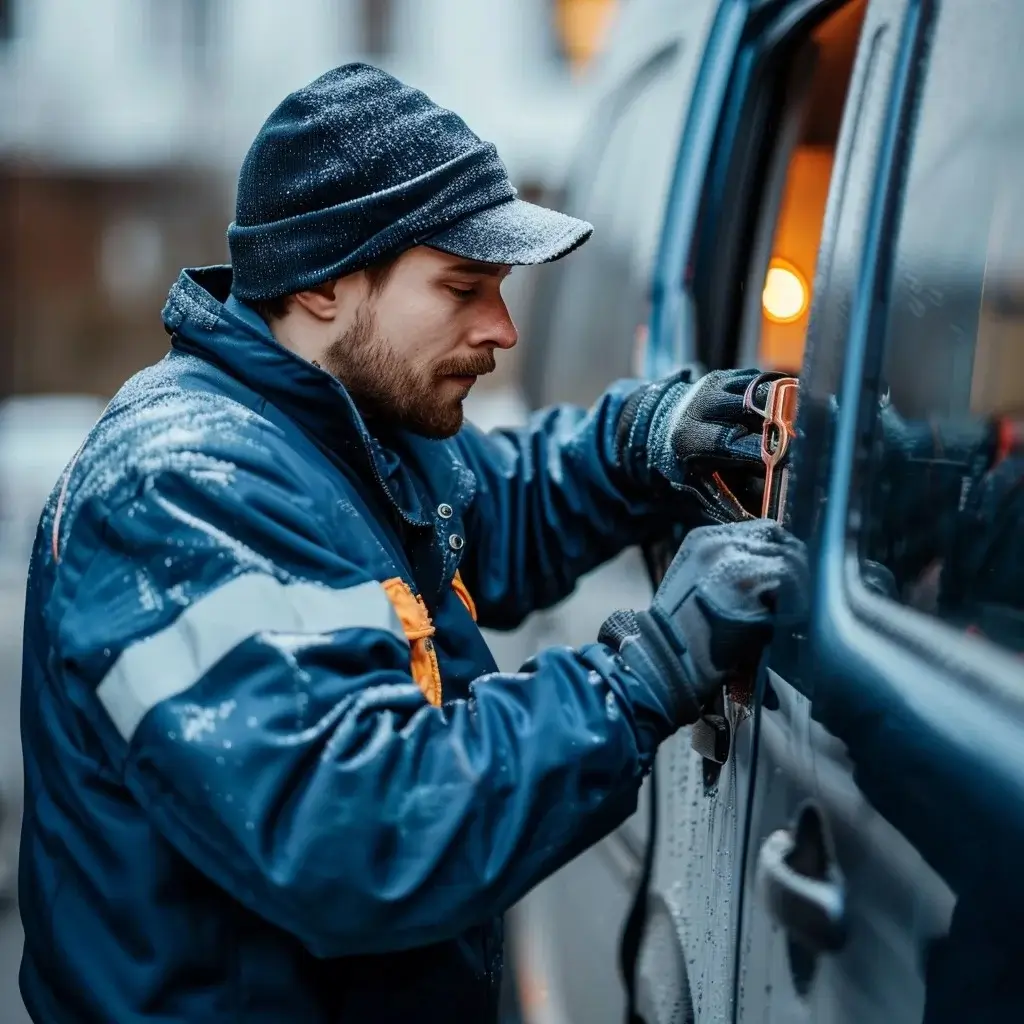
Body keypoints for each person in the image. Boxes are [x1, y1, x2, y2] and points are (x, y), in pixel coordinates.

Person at [18, 64, 807, 1023]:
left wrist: (640, 438)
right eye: (462, 286)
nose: (503, 328)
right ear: (322, 285)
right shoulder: (181, 492)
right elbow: (359, 833)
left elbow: (498, 509)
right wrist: (644, 674)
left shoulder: (348, 432)